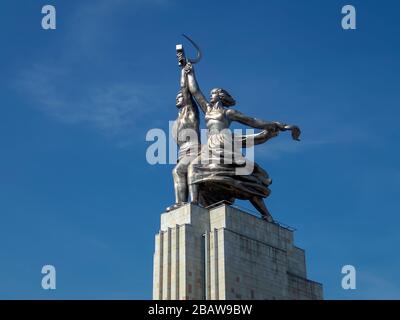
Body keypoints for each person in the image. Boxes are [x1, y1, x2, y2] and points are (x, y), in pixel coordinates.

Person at [184, 62, 301, 222]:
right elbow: (196, 92)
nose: (210, 95)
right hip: (210, 146)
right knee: (193, 167)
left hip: (224, 145)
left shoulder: (228, 113)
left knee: (243, 179)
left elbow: (252, 121)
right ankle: (194, 202)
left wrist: (275, 125)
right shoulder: (208, 110)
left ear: (220, 96)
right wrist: (189, 72)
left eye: (213, 93)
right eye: (210, 93)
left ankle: (266, 214)